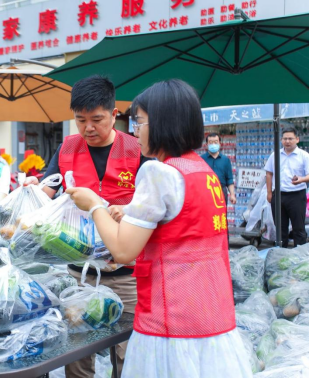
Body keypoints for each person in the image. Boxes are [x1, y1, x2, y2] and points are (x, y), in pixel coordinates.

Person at [66, 79, 252, 378]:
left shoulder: (158, 172)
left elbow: (123, 249)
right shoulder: (202, 171)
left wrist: (95, 204)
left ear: (163, 122)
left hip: (170, 319)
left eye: (139, 122)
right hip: (210, 316)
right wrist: (130, 210)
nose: (135, 131)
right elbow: (182, 224)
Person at [25, 75, 148, 378]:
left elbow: (153, 204)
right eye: (80, 120)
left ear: (114, 115)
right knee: (77, 351)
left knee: (128, 353)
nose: (88, 128)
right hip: (78, 274)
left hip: (127, 275)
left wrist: (129, 209)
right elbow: (47, 190)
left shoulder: (137, 149)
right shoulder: (67, 148)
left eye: (97, 119)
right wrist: (30, 194)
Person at [265, 126, 309, 248]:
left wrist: (302, 179)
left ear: (297, 139)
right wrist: (269, 193)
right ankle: (280, 257)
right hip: (278, 196)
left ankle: (300, 259)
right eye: (285, 139)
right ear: (281, 140)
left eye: (290, 138)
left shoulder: (304, 156)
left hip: (296, 195)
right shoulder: (275, 155)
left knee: (298, 229)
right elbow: (269, 173)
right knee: (280, 229)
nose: (287, 141)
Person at [201, 133, 237, 206]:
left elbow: (229, 179)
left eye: (216, 142)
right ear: (207, 144)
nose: (213, 144)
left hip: (221, 191)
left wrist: (232, 194)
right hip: (206, 192)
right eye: (211, 142)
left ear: (220, 143)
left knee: (221, 215)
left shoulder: (225, 160)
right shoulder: (201, 159)